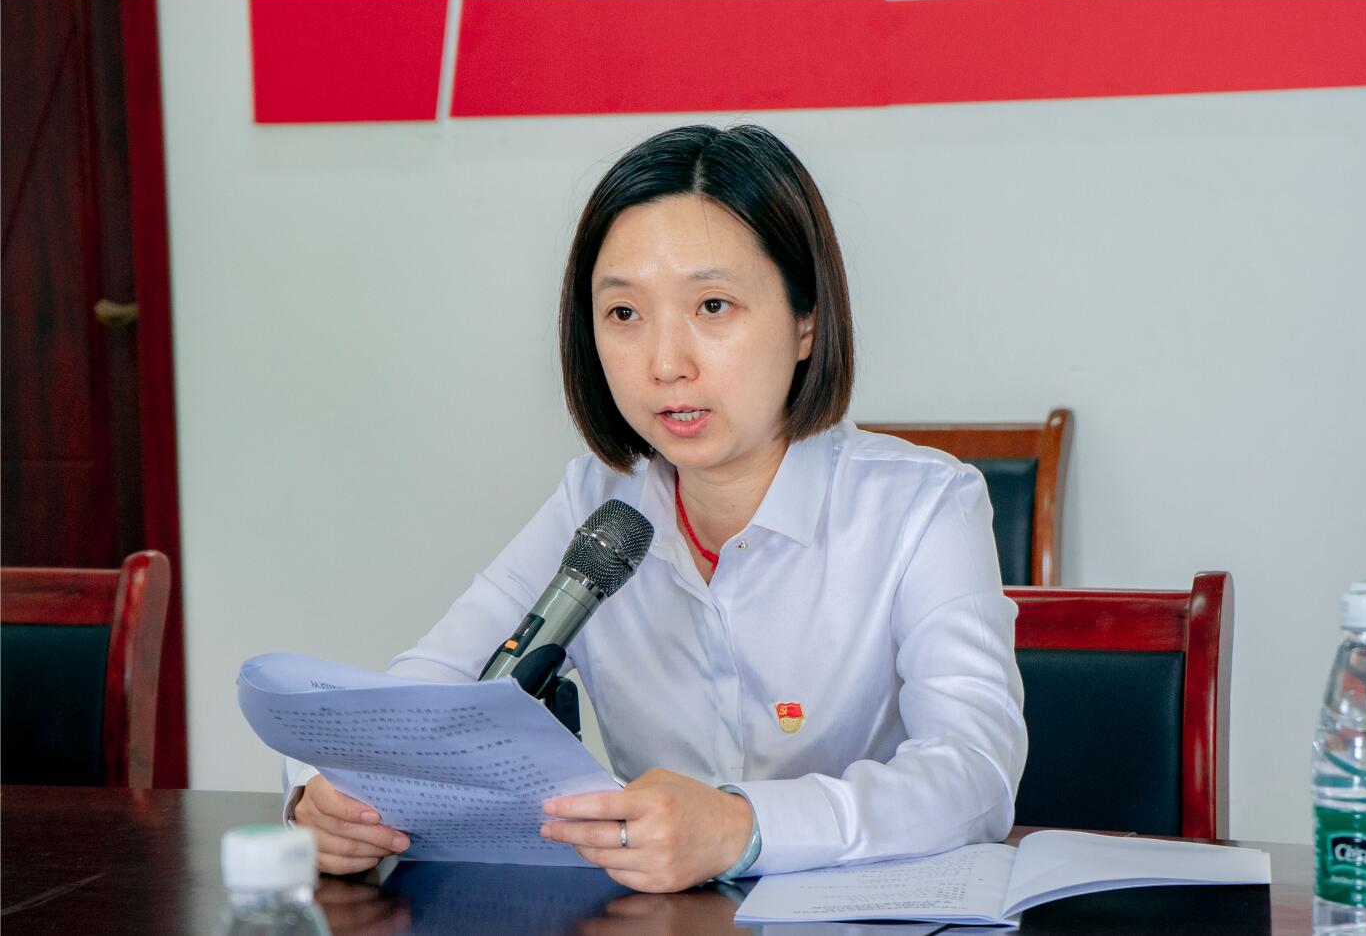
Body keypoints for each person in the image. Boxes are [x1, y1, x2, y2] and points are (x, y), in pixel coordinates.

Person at [286, 124, 1027, 893]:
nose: (665, 363)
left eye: (712, 304)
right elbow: (425, 688)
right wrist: (323, 794)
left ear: (805, 321)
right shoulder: (594, 504)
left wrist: (742, 825)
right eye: (624, 314)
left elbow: (973, 772)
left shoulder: (924, 505)